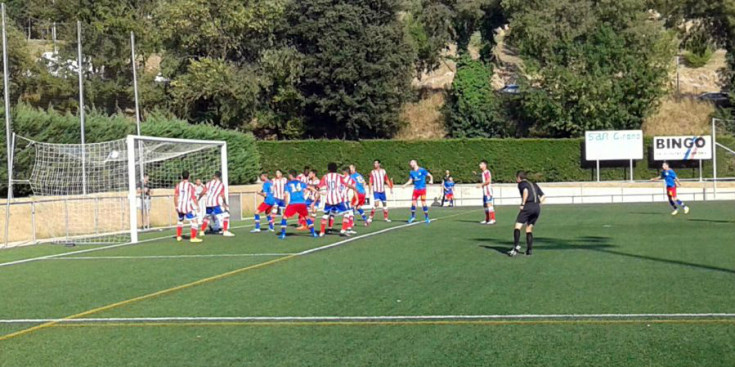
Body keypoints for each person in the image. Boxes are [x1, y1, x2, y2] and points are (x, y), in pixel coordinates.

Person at [508, 171, 545, 257]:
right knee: (529, 229)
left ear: (518, 177)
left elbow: (525, 191)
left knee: (517, 226)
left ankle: (516, 246)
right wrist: (537, 205)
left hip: (528, 206)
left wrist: (523, 204)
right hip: (536, 208)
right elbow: (543, 196)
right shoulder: (534, 184)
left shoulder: (521, 184)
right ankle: (529, 250)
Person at [319, 162, 357, 237]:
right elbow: (345, 184)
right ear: (336, 169)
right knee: (346, 213)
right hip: (338, 198)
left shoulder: (325, 176)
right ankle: (343, 230)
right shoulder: (339, 176)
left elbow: (320, 186)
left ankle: (322, 232)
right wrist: (353, 188)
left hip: (328, 199)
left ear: (328, 169)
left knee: (325, 215)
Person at [278, 170, 318, 240]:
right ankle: (313, 233)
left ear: (290, 176)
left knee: (284, 217)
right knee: (307, 217)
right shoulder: (301, 183)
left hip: (293, 203)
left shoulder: (287, 184)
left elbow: (286, 195)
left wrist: (286, 204)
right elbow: (309, 187)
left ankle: (283, 234)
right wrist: (316, 191)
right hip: (302, 203)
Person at [200, 171, 234, 237]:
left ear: (214, 176)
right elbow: (222, 195)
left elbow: (203, 192)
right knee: (226, 215)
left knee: (207, 216)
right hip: (215, 203)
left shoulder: (208, 183)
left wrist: (198, 198)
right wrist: (225, 203)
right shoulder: (221, 185)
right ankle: (225, 231)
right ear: (220, 177)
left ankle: (202, 231)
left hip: (208, 203)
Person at [174, 170, 202, 243]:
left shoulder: (178, 185)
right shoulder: (191, 185)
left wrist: (176, 206)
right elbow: (194, 197)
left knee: (180, 220)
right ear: (189, 177)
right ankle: (193, 237)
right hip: (187, 206)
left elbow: (176, 196)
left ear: (182, 177)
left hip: (180, 206)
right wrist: (197, 206)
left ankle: (178, 236)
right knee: (195, 221)